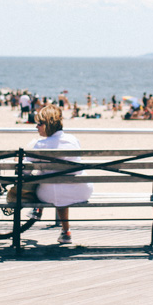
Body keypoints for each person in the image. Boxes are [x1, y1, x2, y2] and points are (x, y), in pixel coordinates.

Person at [30, 104, 93, 245]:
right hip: (82, 191)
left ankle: (37, 209)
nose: (36, 127)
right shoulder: (72, 139)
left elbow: (25, 171)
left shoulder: (40, 144)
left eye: (39, 124)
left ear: (48, 124)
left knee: (44, 180)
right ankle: (66, 232)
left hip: (51, 194)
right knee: (58, 182)